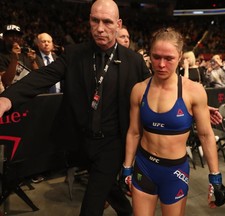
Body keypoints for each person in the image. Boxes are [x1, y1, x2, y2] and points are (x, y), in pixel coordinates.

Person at [0, 1, 151, 216]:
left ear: (118, 24)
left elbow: (155, 91)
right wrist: (7, 100)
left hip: (113, 144)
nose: (100, 28)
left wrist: (191, 101)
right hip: (81, 143)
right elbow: (43, 76)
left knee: (92, 203)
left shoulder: (134, 61)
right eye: (94, 20)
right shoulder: (74, 53)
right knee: (108, 188)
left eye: (107, 22)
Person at [121, 27, 225, 216]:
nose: (161, 64)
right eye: (156, 57)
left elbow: (205, 135)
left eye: (168, 58)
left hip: (175, 172)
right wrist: (127, 167)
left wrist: (215, 177)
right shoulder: (139, 90)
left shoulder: (193, 91)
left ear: (179, 56)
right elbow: (134, 132)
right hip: (144, 166)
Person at [0, 24, 38, 88]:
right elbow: (6, 81)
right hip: (11, 95)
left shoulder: (27, 53)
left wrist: (33, 62)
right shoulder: (1, 56)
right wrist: (14, 59)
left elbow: (38, 77)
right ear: (4, 37)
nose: (15, 38)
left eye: (18, 35)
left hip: (30, 92)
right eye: (11, 35)